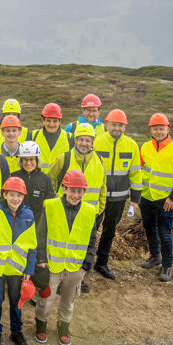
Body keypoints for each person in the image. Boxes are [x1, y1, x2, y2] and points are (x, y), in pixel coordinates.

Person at [34, 171, 98, 345]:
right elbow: (41, 234)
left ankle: (64, 326)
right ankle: (41, 324)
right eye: (72, 190)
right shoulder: (51, 206)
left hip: (75, 266)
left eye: (80, 191)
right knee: (46, 298)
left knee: (69, 300)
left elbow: (92, 239)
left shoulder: (90, 211)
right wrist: (41, 258)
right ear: (64, 188)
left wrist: (86, 264)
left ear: (84, 192)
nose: (76, 195)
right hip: (51, 263)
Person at [49, 122, 106, 294]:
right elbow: (51, 180)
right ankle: (59, 279)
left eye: (88, 140)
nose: (84, 143)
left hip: (89, 214)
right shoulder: (64, 158)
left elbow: (103, 185)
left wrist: (101, 208)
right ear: (76, 140)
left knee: (82, 246)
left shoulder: (99, 161)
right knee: (63, 245)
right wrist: (55, 203)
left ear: (92, 142)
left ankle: (78, 280)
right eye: (81, 140)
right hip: (65, 210)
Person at [0, 177, 36, 345]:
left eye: (19, 195)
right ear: (4, 194)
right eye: (11, 194)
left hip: (18, 270)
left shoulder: (29, 216)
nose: (15, 199)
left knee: (16, 302)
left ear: (23, 197)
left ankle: (16, 332)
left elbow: (32, 246)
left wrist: (29, 269)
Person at [139, 113, 173, 283]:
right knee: (149, 228)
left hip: (166, 201)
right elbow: (138, 170)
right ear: (151, 129)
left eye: (162, 128)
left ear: (168, 129)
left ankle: (167, 266)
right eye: (155, 128)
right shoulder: (145, 147)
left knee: (165, 233)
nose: (159, 131)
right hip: (146, 197)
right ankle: (155, 257)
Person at [91, 109, 142, 280]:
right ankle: (85, 264)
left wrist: (135, 200)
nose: (117, 128)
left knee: (109, 231)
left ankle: (102, 264)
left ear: (124, 127)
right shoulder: (96, 142)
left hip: (119, 198)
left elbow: (135, 174)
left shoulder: (132, 145)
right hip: (98, 197)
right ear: (106, 124)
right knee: (90, 230)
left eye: (120, 125)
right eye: (114, 124)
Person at [10, 141, 56, 232]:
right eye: (25, 160)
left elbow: (50, 205)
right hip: (15, 224)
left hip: (38, 226)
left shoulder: (45, 179)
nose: (28, 163)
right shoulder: (13, 177)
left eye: (32, 159)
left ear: (37, 160)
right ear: (21, 161)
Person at [28, 103, 72, 173]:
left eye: (55, 121)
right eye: (48, 120)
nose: (51, 125)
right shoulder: (32, 136)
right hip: (38, 182)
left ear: (60, 121)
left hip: (61, 182)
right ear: (43, 120)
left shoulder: (70, 139)